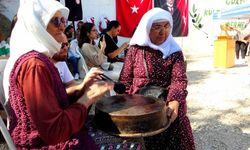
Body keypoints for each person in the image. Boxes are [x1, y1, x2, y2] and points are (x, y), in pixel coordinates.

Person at [3, 0, 113, 149]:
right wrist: (88, 97)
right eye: (55, 20)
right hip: (42, 144)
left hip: (51, 137)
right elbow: (54, 131)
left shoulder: (41, 59)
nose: (62, 26)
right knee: (127, 140)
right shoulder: (34, 65)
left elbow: (55, 101)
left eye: (63, 20)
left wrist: (83, 88)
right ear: (37, 25)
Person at [119, 8, 195, 149]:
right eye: (157, 27)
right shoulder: (135, 49)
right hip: (139, 104)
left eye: (166, 26)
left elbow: (179, 80)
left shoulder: (175, 51)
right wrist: (124, 102)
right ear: (147, 28)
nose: (163, 32)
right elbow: (125, 79)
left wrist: (174, 102)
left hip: (166, 102)